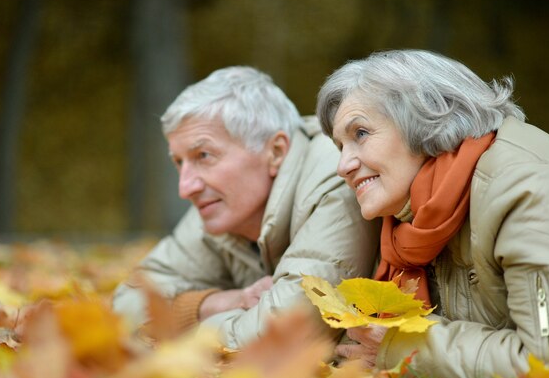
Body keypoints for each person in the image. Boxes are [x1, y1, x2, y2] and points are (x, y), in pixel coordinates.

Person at [316, 49, 549, 378]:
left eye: (361, 134)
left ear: (424, 118)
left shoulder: (526, 190)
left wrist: (401, 346)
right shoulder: (409, 219)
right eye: (340, 146)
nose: (343, 166)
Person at [113, 66, 381, 349]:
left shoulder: (333, 174)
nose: (186, 187)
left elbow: (283, 336)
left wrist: (177, 333)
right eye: (179, 162)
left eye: (203, 155)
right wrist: (213, 304)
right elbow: (123, 307)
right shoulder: (220, 206)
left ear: (276, 152)